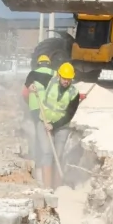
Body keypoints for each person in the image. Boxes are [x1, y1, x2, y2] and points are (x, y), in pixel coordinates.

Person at [30, 62, 80, 190]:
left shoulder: (74, 94)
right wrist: (30, 86)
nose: (66, 82)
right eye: (64, 78)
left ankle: (58, 188)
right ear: (59, 76)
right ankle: (47, 188)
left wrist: (55, 125)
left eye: (69, 79)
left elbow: (69, 115)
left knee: (58, 155)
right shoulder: (50, 81)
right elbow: (32, 75)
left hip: (61, 127)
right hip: (44, 122)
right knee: (47, 153)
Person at [21, 56, 55, 181]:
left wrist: (29, 103)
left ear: (38, 64)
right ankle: (46, 158)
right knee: (50, 133)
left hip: (36, 109)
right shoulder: (55, 74)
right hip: (51, 110)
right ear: (49, 64)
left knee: (38, 132)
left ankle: (38, 159)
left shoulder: (32, 74)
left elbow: (24, 94)